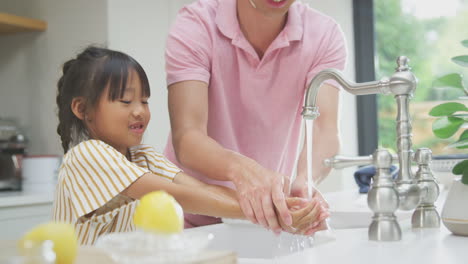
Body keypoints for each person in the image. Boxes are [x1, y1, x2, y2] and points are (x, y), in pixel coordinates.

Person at [52, 46, 329, 245]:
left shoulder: (142, 156)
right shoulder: (86, 155)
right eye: (126, 101)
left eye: (145, 101)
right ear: (82, 109)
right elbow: (175, 196)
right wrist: (274, 214)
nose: (139, 111)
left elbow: (199, 189)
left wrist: (280, 206)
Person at [164, 0, 347, 233]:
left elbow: (325, 129)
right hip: (186, 216)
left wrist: (305, 183)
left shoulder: (324, 35)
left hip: (263, 218)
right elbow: (187, 137)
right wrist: (242, 171)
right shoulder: (196, 24)